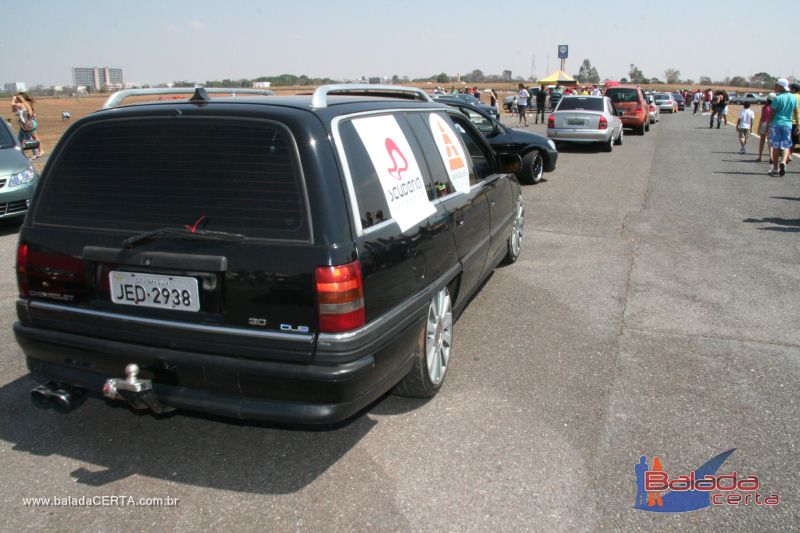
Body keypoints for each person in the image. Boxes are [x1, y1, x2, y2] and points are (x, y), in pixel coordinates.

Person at [767, 78, 799, 177]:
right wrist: (798, 125)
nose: (775, 87)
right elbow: (796, 112)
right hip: (788, 124)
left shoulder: (777, 98)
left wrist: (769, 123)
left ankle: (776, 168)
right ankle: (784, 162)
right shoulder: (793, 98)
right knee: (786, 145)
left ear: (781, 87)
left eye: (777, 85)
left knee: (775, 146)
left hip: (776, 124)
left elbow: (772, 112)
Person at [756, 94, 775, 162]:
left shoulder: (764, 107)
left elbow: (762, 118)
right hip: (772, 125)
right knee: (770, 141)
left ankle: (760, 156)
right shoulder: (774, 107)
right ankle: (771, 156)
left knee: (762, 141)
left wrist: (759, 127)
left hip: (764, 124)